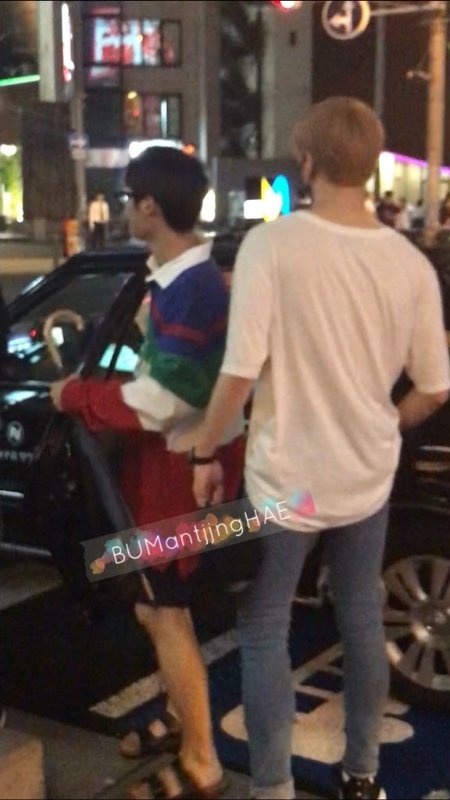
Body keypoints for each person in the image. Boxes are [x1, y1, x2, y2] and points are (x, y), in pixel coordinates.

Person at [191, 97, 450, 800]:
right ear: (370, 166)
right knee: (361, 617)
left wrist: (204, 453)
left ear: (306, 163)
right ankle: (362, 776)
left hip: (289, 481)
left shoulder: (272, 246)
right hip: (365, 476)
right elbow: (434, 387)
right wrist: (387, 420)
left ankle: (272, 787)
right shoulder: (409, 264)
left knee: (264, 623)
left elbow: (239, 372)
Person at [50, 146, 244, 798]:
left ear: (150, 206)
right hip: (176, 476)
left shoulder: (190, 290)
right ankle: (176, 717)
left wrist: (78, 396)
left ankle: (201, 761)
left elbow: (164, 401)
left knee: (166, 616)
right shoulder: (182, 281)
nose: (124, 208)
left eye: (128, 198)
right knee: (152, 607)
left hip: (175, 482)